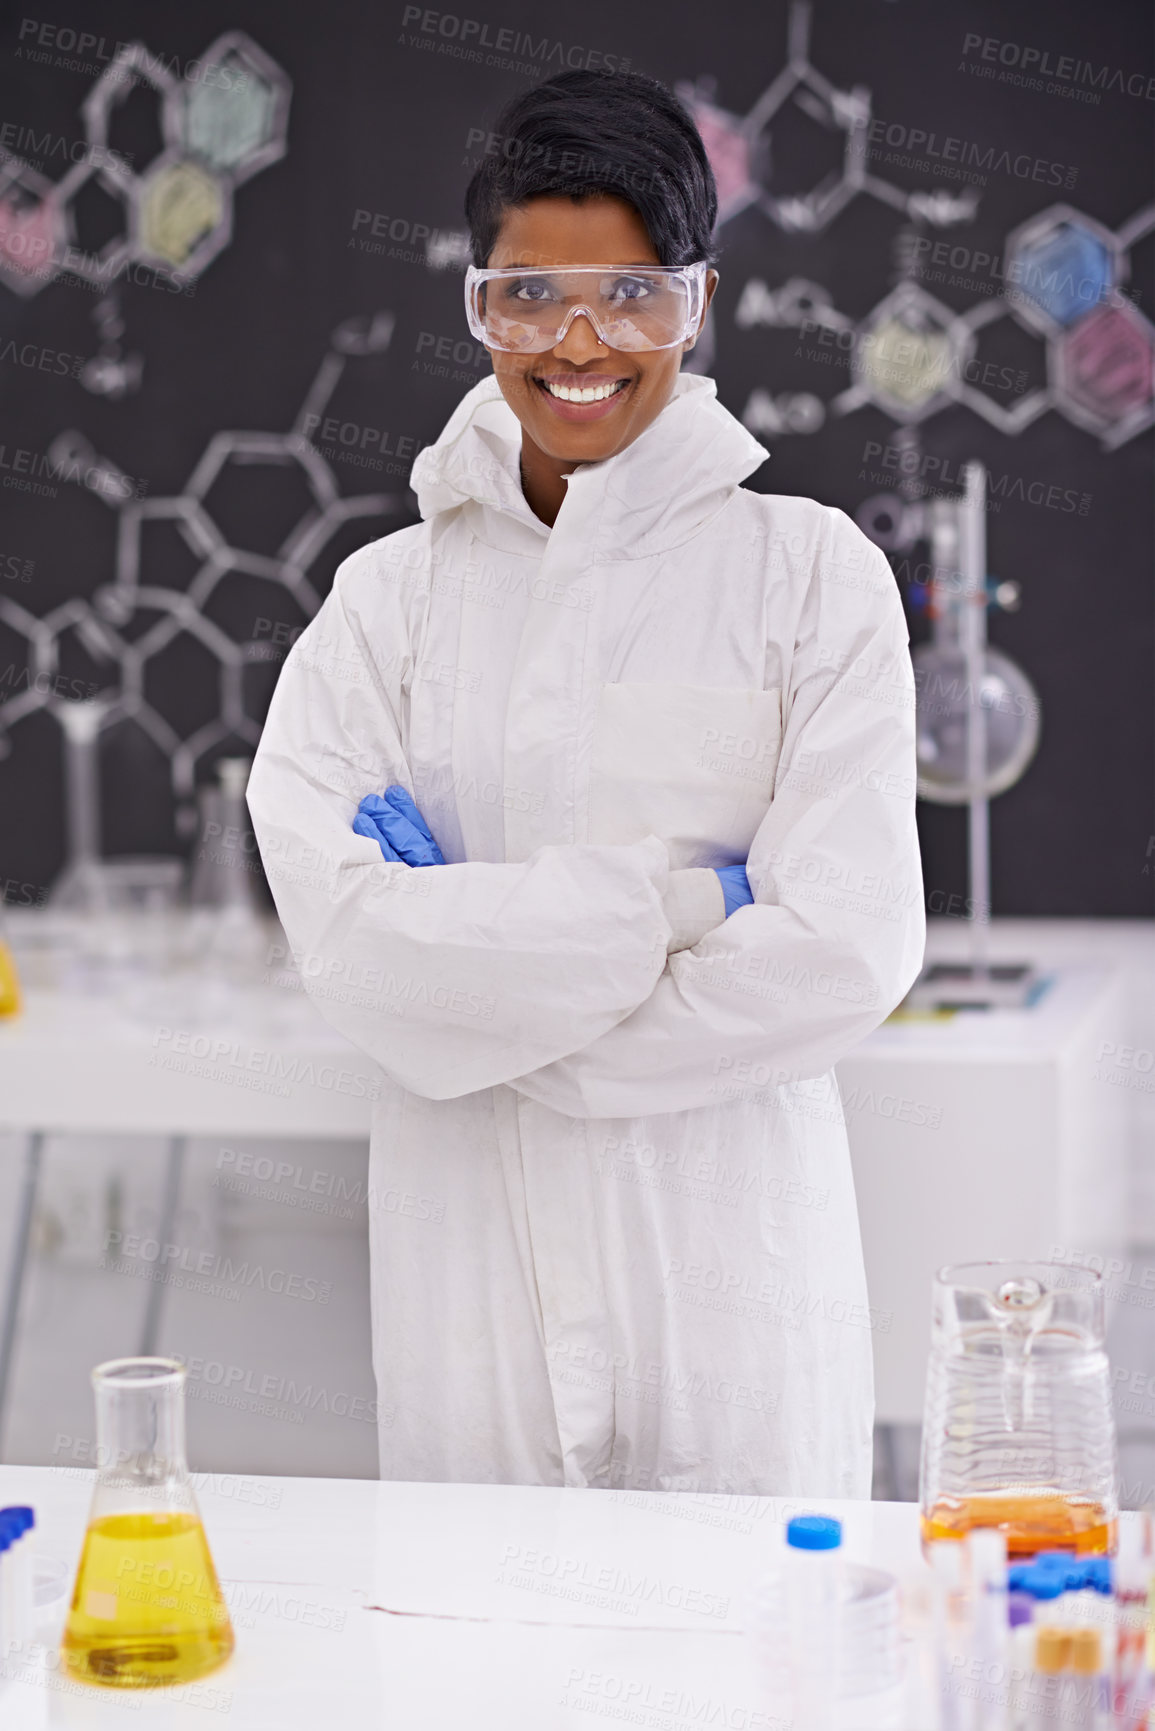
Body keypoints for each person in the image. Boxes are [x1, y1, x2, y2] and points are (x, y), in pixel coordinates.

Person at [247, 68, 925, 1496]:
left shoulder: (809, 580)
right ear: (479, 300)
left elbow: (846, 950)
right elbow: (350, 947)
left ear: (699, 303)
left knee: (751, 1687)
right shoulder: (386, 603)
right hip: (466, 1282)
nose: (579, 344)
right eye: (531, 293)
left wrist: (481, 988)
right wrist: (682, 910)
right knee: (478, 1676)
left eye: (631, 297)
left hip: (725, 1279)